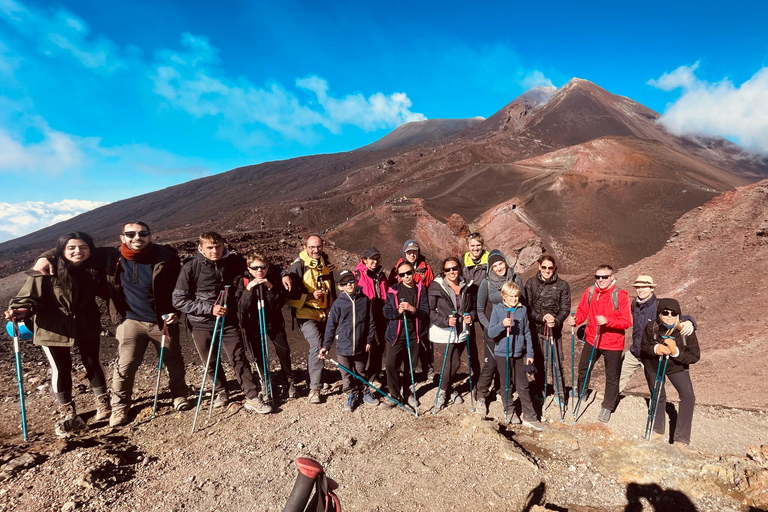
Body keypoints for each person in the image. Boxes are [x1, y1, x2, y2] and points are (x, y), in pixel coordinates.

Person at [31, 221, 194, 426]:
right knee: (124, 366)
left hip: (163, 321)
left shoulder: (166, 256)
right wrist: (45, 257)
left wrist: (176, 312)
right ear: (122, 237)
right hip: (130, 321)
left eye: (143, 233)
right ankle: (119, 407)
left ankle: (179, 395)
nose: (137, 237)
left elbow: (181, 287)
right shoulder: (110, 257)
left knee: (173, 359)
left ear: (150, 235)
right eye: (131, 233)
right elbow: (73, 248)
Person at [6, 232, 110, 437]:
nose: (77, 251)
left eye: (83, 247)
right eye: (71, 248)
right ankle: (67, 411)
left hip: (85, 324)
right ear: (62, 250)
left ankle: (103, 402)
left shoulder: (95, 268)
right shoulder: (46, 270)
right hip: (52, 327)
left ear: (91, 250)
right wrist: (19, 309)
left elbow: (112, 250)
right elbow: (27, 296)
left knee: (92, 362)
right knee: (61, 368)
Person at [173, 232, 272, 414]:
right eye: (210, 247)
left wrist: (284, 274)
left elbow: (256, 266)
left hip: (228, 320)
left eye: (218, 246)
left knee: (238, 357)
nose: (214, 251)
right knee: (210, 361)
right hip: (201, 323)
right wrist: (209, 309)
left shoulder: (233, 262)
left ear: (223, 245)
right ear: (201, 248)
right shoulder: (191, 267)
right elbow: (179, 300)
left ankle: (252, 396)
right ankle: (221, 391)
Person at [567, 264, 631, 423]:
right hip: (592, 338)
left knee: (611, 376)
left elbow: (627, 321)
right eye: (598, 277)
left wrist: (608, 321)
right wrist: (576, 320)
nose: (601, 280)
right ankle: (582, 391)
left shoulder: (620, 295)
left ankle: (607, 406)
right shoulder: (590, 292)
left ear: (612, 277)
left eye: (604, 277)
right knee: (584, 366)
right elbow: (582, 311)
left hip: (613, 343)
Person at [282, 235, 336, 404]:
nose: (315, 250)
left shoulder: (325, 264)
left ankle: (311, 378)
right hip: (306, 313)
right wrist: (309, 296)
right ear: (305, 247)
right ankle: (315, 389)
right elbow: (288, 295)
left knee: (321, 346)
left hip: (324, 312)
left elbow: (332, 289)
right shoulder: (299, 266)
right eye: (312, 247)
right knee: (316, 347)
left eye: (318, 246)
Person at [618, 275, 695, 393]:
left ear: (652, 288)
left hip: (651, 354)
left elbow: (676, 317)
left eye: (644, 287)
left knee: (655, 387)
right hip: (635, 351)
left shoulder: (659, 306)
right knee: (619, 376)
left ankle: (656, 408)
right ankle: (609, 403)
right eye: (638, 287)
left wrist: (690, 321)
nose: (640, 290)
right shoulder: (635, 305)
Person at [640, 298, 699, 447]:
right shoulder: (651, 327)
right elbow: (644, 346)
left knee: (688, 397)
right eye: (665, 312)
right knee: (658, 394)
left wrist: (676, 352)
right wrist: (655, 349)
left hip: (677, 367)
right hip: (654, 366)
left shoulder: (685, 331)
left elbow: (695, 356)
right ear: (659, 313)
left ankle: (681, 439)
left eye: (674, 313)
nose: (669, 316)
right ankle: (658, 430)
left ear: (679, 315)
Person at [235, 251, 295, 400]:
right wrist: (249, 290)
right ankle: (265, 382)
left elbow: (278, 304)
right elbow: (241, 307)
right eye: (255, 268)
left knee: (284, 351)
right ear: (249, 268)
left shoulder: (274, 279)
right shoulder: (242, 281)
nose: (259, 271)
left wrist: (269, 288)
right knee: (259, 354)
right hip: (252, 324)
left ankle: (289, 381)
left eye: (262, 267)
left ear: (268, 266)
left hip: (273, 322)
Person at [486, 282, 545, 430]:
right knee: (506, 384)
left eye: (516, 296)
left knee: (523, 385)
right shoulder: (498, 310)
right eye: (511, 296)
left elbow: (527, 333)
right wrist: (502, 325)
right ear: (504, 297)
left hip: (518, 353)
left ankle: (530, 417)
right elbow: (491, 333)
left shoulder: (522, 310)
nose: (514, 299)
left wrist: (529, 353)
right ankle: (510, 411)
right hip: (502, 353)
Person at [319, 270, 379, 411]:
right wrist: (326, 345)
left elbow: (371, 321)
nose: (349, 284)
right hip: (343, 346)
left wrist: (369, 340)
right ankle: (351, 394)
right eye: (344, 283)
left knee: (360, 370)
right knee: (346, 374)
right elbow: (331, 325)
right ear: (340, 286)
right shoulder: (338, 304)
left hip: (361, 345)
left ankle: (365, 391)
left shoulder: (364, 300)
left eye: (351, 281)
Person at [475, 250, 525, 410]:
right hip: (493, 331)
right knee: (490, 365)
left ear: (506, 262)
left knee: (508, 364)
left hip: (513, 331)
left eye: (500, 263)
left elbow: (523, 305)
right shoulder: (487, 283)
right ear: (491, 268)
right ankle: (481, 395)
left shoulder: (517, 279)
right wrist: (491, 327)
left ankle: (502, 394)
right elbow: (480, 309)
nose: (498, 268)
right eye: (494, 265)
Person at [381, 261, 430, 410]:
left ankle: (407, 392)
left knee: (410, 366)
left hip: (414, 334)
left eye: (409, 273)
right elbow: (386, 313)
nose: (406, 276)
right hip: (395, 334)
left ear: (414, 272)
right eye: (402, 274)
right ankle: (395, 395)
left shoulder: (421, 290)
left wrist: (412, 309)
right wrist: (398, 311)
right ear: (398, 276)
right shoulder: (393, 291)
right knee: (391, 364)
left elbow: (425, 313)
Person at [428, 257, 476, 409]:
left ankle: (448, 387)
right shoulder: (436, 286)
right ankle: (442, 392)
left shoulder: (466, 285)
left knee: (454, 363)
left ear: (459, 269)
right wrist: (445, 321)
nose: (451, 272)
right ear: (444, 271)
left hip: (460, 330)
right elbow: (430, 311)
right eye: (448, 269)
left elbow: (472, 308)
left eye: (454, 268)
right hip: (443, 331)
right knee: (451, 362)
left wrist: (471, 316)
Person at [525, 255, 571, 405]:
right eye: (544, 267)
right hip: (536, 329)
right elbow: (527, 307)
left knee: (556, 362)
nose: (547, 270)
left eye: (550, 268)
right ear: (539, 267)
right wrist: (541, 317)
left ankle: (560, 394)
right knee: (538, 362)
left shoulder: (563, 285)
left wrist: (556, 320)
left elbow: (565, 308)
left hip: (554, 330)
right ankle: (540, 390)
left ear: (554, 268)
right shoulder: (531, 283)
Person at [388, 239, 435, 382]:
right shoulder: (397, 268)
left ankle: (427, 369)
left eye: (414, 251)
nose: (412, 254)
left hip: (420, 309)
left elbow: (431, 287)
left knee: (424, 341)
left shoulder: (425, 268)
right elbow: (391, 290)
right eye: (409, 252)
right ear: (404, 253)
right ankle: (403, 372)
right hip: (402, 314)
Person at [354, 247, 388, 386]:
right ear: (365, 260)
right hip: (365, 316)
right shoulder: (357, 275)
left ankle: (374, 375)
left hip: (380, 314)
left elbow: (385, 294)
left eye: (377, 258)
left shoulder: (381, 274)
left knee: (378, 346)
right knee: (364, 345)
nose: (375, 261)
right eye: (372, 259)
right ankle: (359, 376)